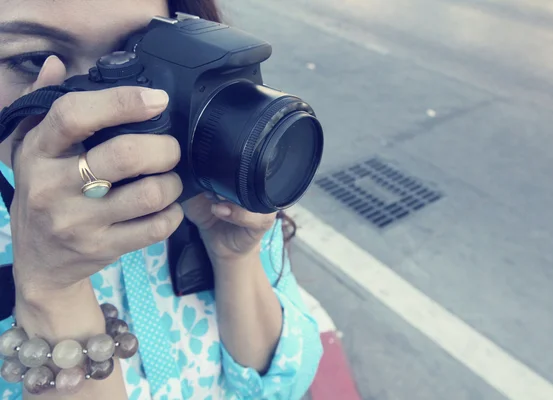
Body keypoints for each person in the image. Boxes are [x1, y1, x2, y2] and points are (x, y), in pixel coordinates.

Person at [0, 0, 324, 399]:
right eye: (33, 61)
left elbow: (283, 385)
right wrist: (50, 289)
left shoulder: (200, 172)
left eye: (135, 53)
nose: (91, 112)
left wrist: (234, 256)